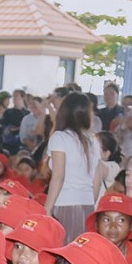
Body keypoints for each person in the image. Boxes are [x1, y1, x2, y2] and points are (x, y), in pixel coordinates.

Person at [45, 93, 105, 238]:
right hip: (88, 204)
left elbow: (58, 176)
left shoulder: (60, 137)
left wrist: (47, 209)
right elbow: (96, 180)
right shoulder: (93, 140)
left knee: (64, 254)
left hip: (65, 203)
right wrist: (89, 201)